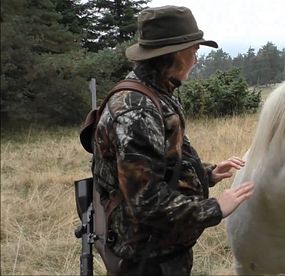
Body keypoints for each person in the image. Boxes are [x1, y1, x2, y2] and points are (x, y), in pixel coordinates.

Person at [92, 5, 254, 275]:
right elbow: (146, 202)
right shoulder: (137, 110)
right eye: (195, 51)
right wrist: (215, 208)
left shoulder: (156, 92)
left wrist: (208, 174)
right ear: (174, 54)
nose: (197, 59)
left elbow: (160, 166)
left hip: (162, 248)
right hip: (147, 257)